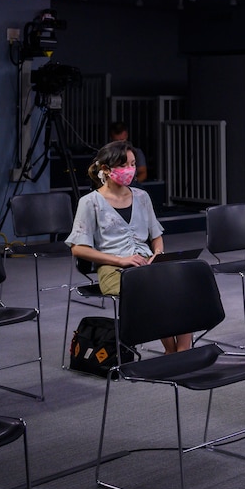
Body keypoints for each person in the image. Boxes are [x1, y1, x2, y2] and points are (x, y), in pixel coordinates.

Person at [66, 140, 190, 354]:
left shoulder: (142, 197)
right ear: (106, 169)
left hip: (147, 264)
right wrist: (122, 260)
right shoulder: (90, 202)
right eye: (125, 165)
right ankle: (173, 352)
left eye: (133, 164)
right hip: (114, 268)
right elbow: (78, 249)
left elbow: (156, 236)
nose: (131, 171)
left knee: (185, 285)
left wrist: (157, 255)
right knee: (154, 293)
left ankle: (183, 351)